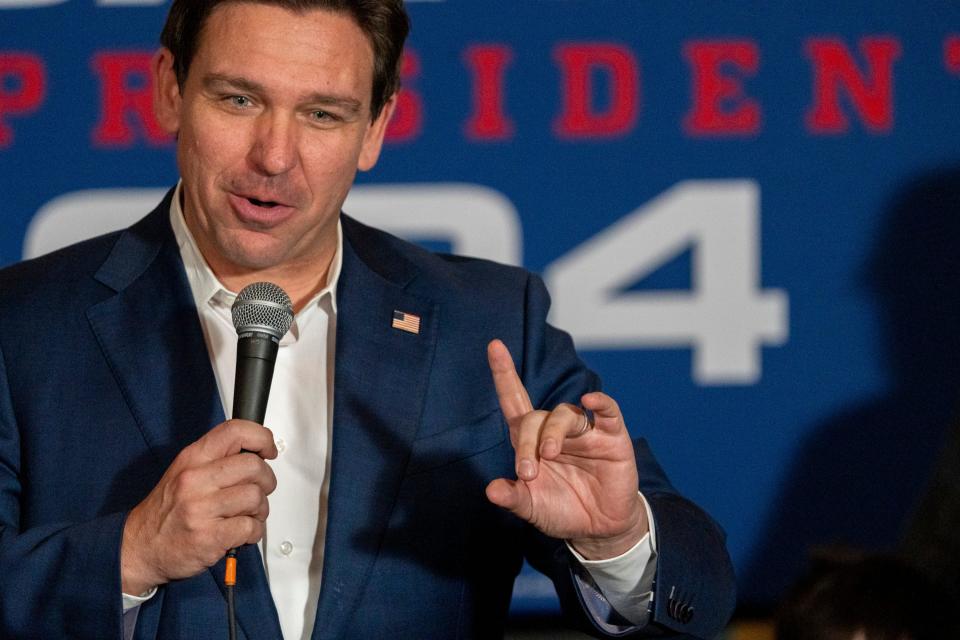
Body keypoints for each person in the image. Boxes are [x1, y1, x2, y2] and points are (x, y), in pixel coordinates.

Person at [0, 1, 735, 638]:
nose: (275, 156)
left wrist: (615, 537)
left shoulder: (486, 322)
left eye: (322, 113)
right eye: (239, 100)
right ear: (169, 90)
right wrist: (130, 554)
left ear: (376, 127)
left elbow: (697, 589)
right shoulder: (23, 327)